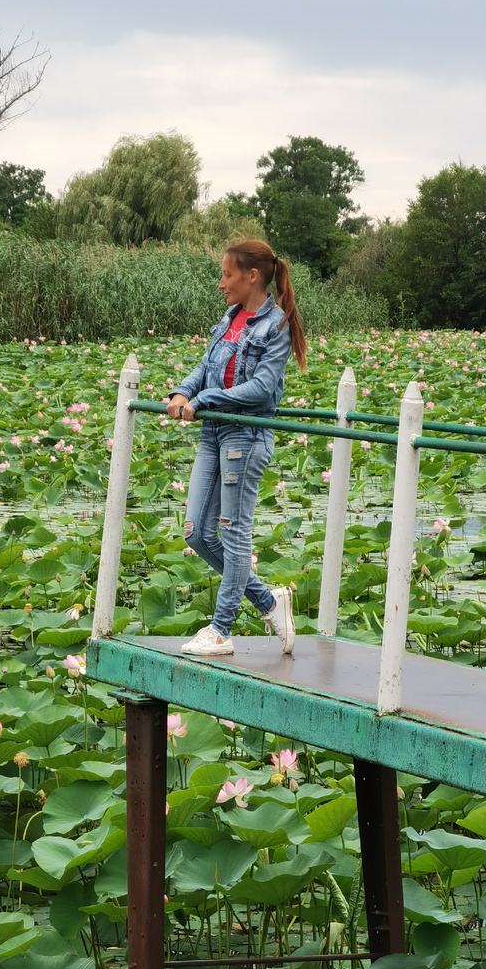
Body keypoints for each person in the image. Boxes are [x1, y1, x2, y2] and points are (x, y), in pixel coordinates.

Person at [165, 239, 307, 656]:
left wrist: (204, 400)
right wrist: (182, 392)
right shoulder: (229, 318)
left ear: (252, 276)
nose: (221, 283)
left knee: (234, 532)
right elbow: (204, 367)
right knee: (196, 533)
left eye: (227, 275)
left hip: (245, 436)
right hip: (213, 433)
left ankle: (221, 630)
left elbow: (262, 388)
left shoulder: (275, 326)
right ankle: (268, 602)